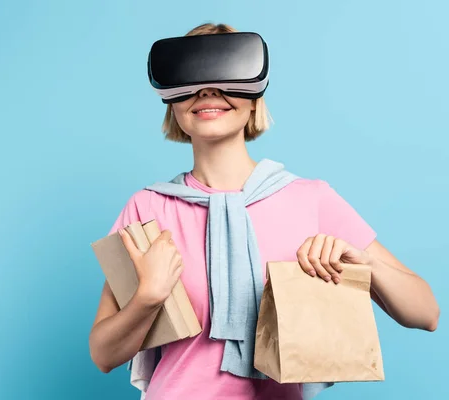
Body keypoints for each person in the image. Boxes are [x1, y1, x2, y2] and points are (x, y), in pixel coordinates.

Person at [88, 23, 440, 400]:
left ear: (255, 96)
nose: (208, 90)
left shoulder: (311, 200)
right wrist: (148, 297)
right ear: (173, 103)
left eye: (226, 74)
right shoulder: (147, 209)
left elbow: (426, 314)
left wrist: (364, 266)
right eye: (191, 79)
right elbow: (104, 355)